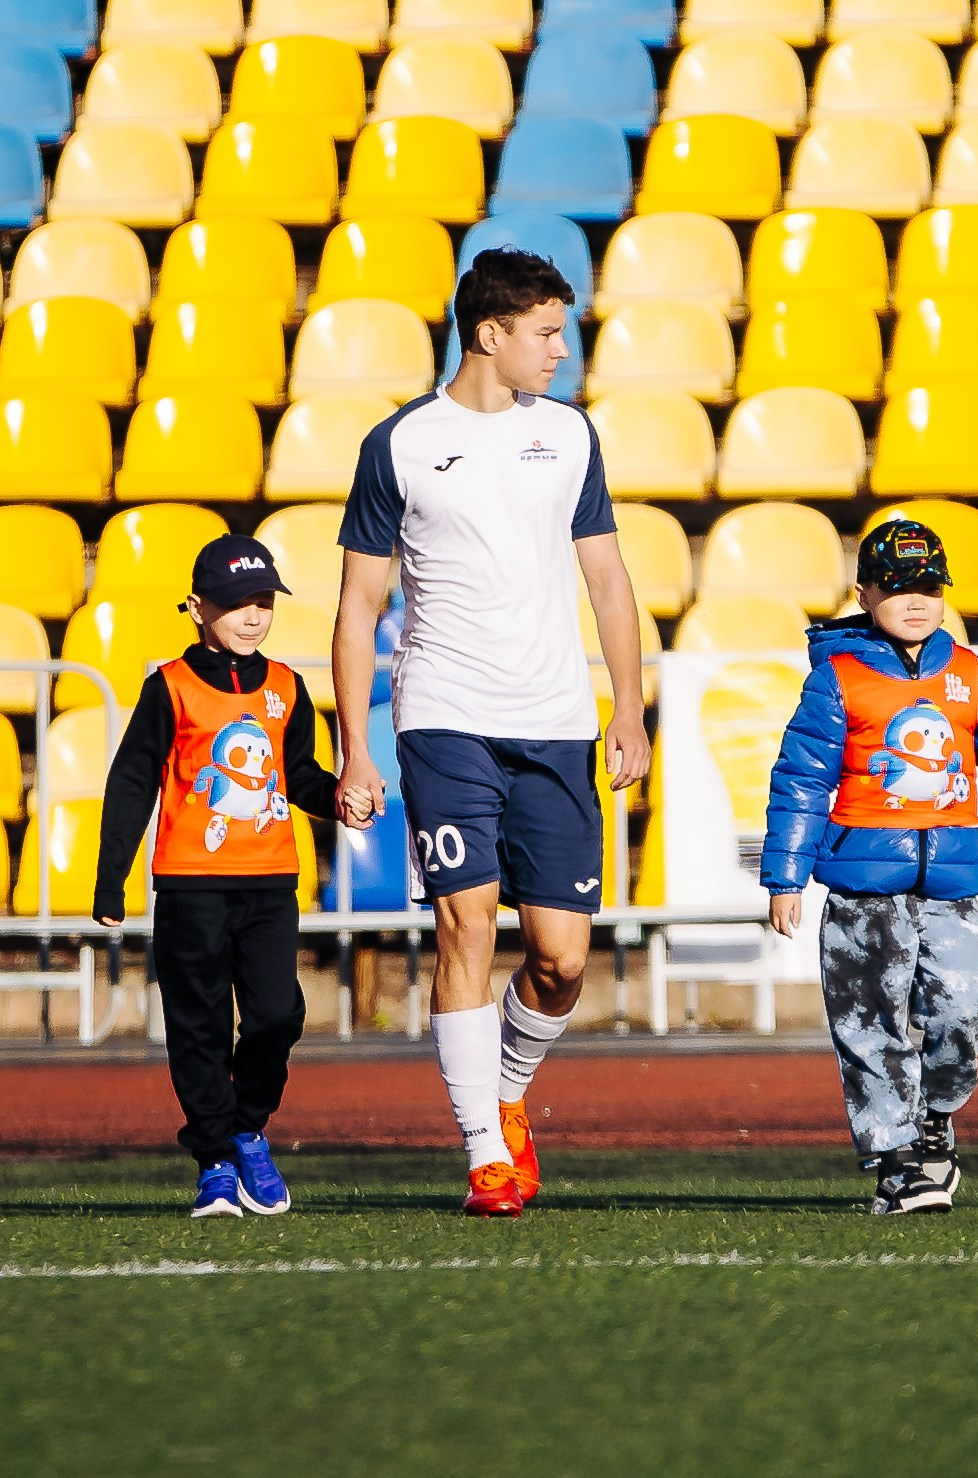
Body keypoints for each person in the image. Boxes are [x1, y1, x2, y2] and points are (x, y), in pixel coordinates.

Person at [332, 247, 649, 1218]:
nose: (560, 351)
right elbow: (357, 605)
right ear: (489, 332)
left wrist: (629, 708)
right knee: (464, 923)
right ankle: (484, 1152)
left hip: (555, 723)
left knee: (561, 959)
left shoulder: (570, 434)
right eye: (546, 332)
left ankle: (505, 1091)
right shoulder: (399, 443)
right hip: (444, 717)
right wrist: (355, 746)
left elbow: (608, 579)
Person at [761, 521, 978, 1214]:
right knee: (869, 1023)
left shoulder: (967, 672)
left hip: (950, 886)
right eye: (897, 586)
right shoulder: (836, 678)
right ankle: (896, 1163)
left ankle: (936, 1118)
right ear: (863, 593)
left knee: (962, 1014)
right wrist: (785, 877)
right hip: (861, 890)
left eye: (930, 586)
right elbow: (801, 780)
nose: (916, 600)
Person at [93, 535, 372, 1216]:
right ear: (196, 607)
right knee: (200, 1028)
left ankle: (247, 1127)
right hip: (190, 886)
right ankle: (215, 1158)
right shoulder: (168, 687)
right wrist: (111, 877)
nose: (252, 615)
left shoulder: (286, 687)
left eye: (262, 601)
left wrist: (338, 796)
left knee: (278, 1014)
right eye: (234, 602)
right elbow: (132, 782)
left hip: (271, 884)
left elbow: (297, 774)